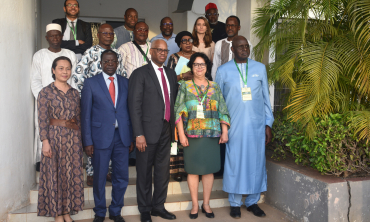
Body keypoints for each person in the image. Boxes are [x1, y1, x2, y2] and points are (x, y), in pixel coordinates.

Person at [215, 36, 274, 219]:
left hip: (256, 126)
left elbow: (266, 98)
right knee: (235, 163)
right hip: (234, 127)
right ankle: (234, 203)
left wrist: (268, 123)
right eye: (240, 47)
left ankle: (252, 202)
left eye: (246, 46)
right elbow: (219, 102)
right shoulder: (223, 70)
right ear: (232, 49)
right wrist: (223, 126)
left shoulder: (259, 68)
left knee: (256, 163)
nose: (244, 49)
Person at [175, 52, 230, 219]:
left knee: (209, 171)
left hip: (212, 135)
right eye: (196, 64)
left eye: (203, 64)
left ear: (207, 68)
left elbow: (223, 110)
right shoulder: (185, 86)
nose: (199, 67)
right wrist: (181, 134)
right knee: (192, 171)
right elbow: (178, 111)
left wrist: (225, 131)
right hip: (191, 135)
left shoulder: (214, 87)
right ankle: (194, 205)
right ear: (191, 67)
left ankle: (206, 204)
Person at [81, 50, 133, 222]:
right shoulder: (91, 83)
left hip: (122, 137)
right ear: (101, 63)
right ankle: (100, 212)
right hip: (100, 137)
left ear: (117, 63)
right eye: (106, 61)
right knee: (100, 176)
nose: (110, 64)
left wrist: (131, 137)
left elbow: (130, 112)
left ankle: (116, 210)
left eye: (113, 61)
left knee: (121, 176)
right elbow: (86, 114)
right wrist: (87, 141)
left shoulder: (126, 82)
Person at [128, 39, 178, 222]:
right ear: (151, 52)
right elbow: (134, 106)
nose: (163, 53)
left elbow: (172, 102)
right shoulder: (140, 74)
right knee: (144, 171)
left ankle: (158, 206)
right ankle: (145, 209)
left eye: (165, 51)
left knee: (163, 171)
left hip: (166, 129)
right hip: (146, 132)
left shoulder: (171, 74)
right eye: (159, 50)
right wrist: (138, 134)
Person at [72, 23, 126, 186]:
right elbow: (77, 77)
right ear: (99, 35)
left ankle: (107, 171)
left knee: (110, 139)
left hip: (114, 104)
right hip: (97, 104)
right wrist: (87, 98)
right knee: (95, 140)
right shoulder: (90, 52)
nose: (109, 36)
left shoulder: (117, 53)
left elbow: (122, 75)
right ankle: (91, 172)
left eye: (111, 33)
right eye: (105, 33)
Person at [37, 56, 83, 222]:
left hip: (73, 140)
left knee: (70, 176)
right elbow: (42, 119)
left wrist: (80, 141)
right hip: (54, 139)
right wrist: (45, 142)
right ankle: (57, 214)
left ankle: (67, 212)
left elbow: (78, 118)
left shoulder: (74, 93)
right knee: (55, 175)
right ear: (53, 70)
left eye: (68, 68)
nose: (65, 72)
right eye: (61, 68)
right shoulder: (45, 92)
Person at [31, 23, 76, 171]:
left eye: (58, 35)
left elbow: (74, 78)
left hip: (67, 100)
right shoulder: (40, 55)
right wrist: (45, 98)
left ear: (62, 37)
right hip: (45, 100)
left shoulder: (70, 54)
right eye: (52, 35)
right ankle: (41, 158)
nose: (55, 38)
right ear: (46, 38)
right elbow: (35, 80)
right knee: (42, 126)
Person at [211, 15, 253, 80]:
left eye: (233, 25)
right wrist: (214, 83)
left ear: (239, 27)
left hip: (240, 80)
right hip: (223, 80)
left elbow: (250, 65)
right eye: (227, 25)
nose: (230, 28)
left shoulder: (246, 43)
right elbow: (215, 65)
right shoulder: (219, 44)